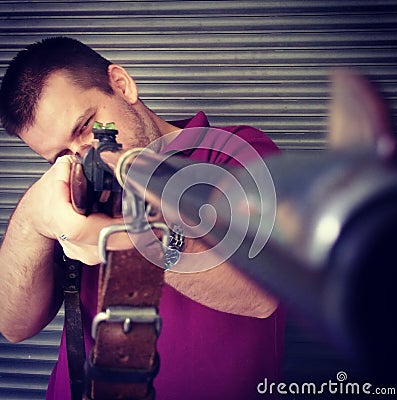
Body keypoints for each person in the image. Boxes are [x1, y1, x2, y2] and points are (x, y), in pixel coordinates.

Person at [0, 37, 285, 400]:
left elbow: (262, 294)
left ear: (122, 85)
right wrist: (32, 218)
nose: (85, 156)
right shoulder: (71, 188)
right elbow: (13, 326)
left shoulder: (233, 154)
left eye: (87, 127)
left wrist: (123, 237)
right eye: (60, 155)